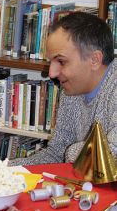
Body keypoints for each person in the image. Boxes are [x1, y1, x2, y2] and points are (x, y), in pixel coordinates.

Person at [9, 11, 117, 166]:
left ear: (94, 60)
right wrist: (0, 169)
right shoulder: (72, 88)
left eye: (61, 61)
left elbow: (109, 156)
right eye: (51, 61)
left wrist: (72, 152)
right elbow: (56, 153)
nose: (52, 73)